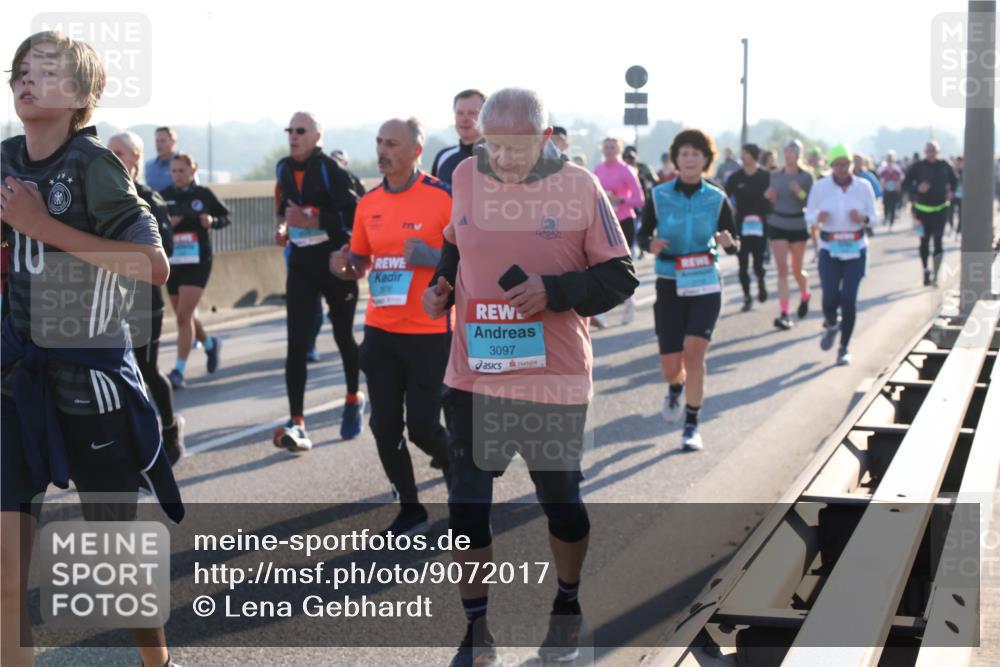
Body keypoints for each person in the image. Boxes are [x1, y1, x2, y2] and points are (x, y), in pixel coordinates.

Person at [422, 87, 637, 667]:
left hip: (551, 378)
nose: (504, 159)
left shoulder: (579, 187)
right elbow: (453, 244)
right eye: (493, 145)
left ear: (545, 139)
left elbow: (621, 276)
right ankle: (476, 630)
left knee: (560, 504)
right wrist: (441, 287)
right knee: (467, 508)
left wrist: (555, 292)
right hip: (473, 375)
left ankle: (567, 605)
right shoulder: (466, 174)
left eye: (516, 147)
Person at [1, 30, 184, 667]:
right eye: (21, 70)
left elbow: (153, 265)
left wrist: (39, 226)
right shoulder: (2, 159)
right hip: (16, 381)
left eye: (45, 72)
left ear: (80, 95)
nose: (27, 80)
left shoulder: (94, 166)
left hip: (91, 386)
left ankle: (156, 661)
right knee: (4, 562)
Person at [330, 118, 451, 536]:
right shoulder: (369, 203)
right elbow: (362, 260)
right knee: (383, 424)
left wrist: (431, 257)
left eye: (392, 144)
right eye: (379, 142)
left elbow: (471, 259)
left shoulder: (441, 198)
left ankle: (460, 471)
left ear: (416, 151)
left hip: (429, 332)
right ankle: (410, 506)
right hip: (381, 329)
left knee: (422, 427)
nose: (383, 150)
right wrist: (346, 268)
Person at [640, 129, 739, 451]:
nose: (690, 159)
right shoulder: (659, 194)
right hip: (669, 282)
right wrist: (651, 245)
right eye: (684, 153)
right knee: (672, 367)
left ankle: (692, 424)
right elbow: (643, 237)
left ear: (706, 160)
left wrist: (728, 243)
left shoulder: (716, 197)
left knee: (695, 353)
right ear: (676, 159)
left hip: (705, 282)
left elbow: (733, 242)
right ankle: (675, 387)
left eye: (697, 154)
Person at [273, 111, 364, 451]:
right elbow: (285, 209)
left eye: (301, 130)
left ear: (317, 136)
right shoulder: (282, 167)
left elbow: (354, 214)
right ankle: (297, 421)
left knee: (342, 336)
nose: (293, 136)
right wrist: (284, 228)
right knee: (296, 344)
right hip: (300, 265)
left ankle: (354, 398)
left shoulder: (331, 170)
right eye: (290, 131)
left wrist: (313, 219)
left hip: (335, 264)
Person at [108, 131, 186, 463]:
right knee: (112, 372)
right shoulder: (100, 196)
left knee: (145, 369)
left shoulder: (150, 199)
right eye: (107, 152)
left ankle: (169, 429)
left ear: (135, 159)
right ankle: (128, 442)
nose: (109, 159)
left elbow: (164, 252)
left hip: (144, 301)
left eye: (118, 153)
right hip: (108, 300)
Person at [806, 144, 878, 366]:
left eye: (845, 164)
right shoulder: (820, 187)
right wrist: (819, 217)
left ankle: (844, 347)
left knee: (848, 299)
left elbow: (875, 217)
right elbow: (809, 216)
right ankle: (831, 323)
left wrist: (863, 219)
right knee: (829, 298)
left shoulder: (863, 186)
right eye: (837, 165)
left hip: (856, 248)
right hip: (830, 248)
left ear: (851, 165)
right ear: (830, 166)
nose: (841, 169)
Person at [161, 152, 228, 389]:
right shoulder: (165, 196)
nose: (178, 175)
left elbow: (225, 217)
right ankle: (210, 344)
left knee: (182, 316)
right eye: (174, 171)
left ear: (193, 170)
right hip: (173, 260)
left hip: (197, 261)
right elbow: (154, 225)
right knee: (184, 314)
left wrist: (211, 221)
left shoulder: (203, 194)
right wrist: (169, 225)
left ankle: (178, 370)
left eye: (182, 171)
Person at [594, 136, 644, 324]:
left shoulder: (627, 170)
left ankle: (630, 302)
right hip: (603, 220)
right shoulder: (598, 169)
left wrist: (620, 200)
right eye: (606, 147)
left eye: (613, 147)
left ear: (619, 149)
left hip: (623, 220)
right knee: (599, 263)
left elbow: (640, 200)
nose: (609, 150)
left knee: (623, 265)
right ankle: (599, 312)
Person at [764, 139, 813, 330]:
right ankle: (785, 312)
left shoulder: (806, 177)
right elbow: (771, 200)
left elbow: (810, 202)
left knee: (796, 269)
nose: (789, 154)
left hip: (797, 224)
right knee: (782, 269)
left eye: (793, 151)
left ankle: (805, 293)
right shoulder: (775, 176)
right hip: (778, 223)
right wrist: (769, 197)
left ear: (798, 154)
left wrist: (799, 192)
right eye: (786, 151)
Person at [903, 140, 958, 287]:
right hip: (922, 211)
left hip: (940, 208)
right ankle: (925, 269)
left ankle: (936, 273)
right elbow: (906, 184)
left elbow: (955, 181)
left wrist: (951, 191)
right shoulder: (917, 167)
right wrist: (917, 189)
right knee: (924, 241)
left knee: (938, 241)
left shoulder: (944, 165)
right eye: (928, 150)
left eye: (933, 150)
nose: (931, 153)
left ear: (938, 152)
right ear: (924, 152)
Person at [725, 143, 770, 311]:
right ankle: (747, 297)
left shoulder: (765, 176)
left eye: (745, 154)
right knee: (742, 263)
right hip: (741, 225)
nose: (742, 156)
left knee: (758, 263)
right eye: (742, 153)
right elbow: (725, 196)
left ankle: (761, 281)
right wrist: (732, 207)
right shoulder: (736, 177)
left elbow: (773, 196)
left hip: (760, 224)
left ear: (753, 156)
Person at [431, 89, 486, 186]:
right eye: (460, 113)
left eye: (472, 113)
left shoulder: (501, 158)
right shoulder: (443, 157)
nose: (465, 119)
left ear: (486, 115)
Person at [144, 126, 176, 193]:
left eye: (163, 141)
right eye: (157, 141)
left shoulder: (184, 164)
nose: (159, 144)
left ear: (173, 142)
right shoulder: (149, 165)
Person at [878, 150, 904, 229]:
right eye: (888, 159)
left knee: (893, 206)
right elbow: (880, 178)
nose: (890, 160)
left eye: (891, 159)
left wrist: (898, 186)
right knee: (886, 205)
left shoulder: (897, 169)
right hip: (886, 190)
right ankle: (886, 217)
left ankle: (891, 222)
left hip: (894, 191)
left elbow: (900, 178)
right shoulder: (883, 169)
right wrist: (882, 186)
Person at [949, 156, 964, 236]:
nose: (959, 164)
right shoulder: (952, 171)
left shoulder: (965, 172)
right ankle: (951, 226)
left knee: (961, 214)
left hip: (962, 196)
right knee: (950, 213)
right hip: (953, 195)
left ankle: (959, 230)